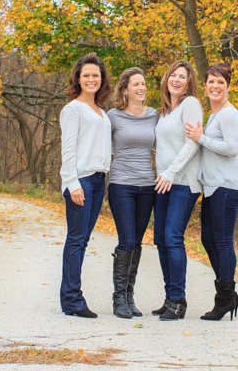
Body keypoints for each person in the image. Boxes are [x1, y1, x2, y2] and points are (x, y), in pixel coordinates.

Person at [185, 62, 238, 321]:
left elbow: (232, 148)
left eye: (220, 82)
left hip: (227, 186)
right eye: (211, 81)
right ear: (205, 85)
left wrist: (201, 138)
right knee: (208, 240)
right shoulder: (214, 115)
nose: (215, 86)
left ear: (228, 86)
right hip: (213, 187)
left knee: (221, 241)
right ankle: (227, 292)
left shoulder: (229, 114)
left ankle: (224, 298)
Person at [59, 52, 112, 318]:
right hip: (81, 180)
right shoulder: (73, 109)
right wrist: (72, 183)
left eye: (95, 75)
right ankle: (72, 300)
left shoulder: (102, 112)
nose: (91, 79)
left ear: (102, 80)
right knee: (76, 239)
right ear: (78, 80)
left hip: (98, 180)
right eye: (86, 75)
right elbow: (68, 150)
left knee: (83, 239)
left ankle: (72, 295)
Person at [153, 59, 203, 321]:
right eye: (173, 75)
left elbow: (191, 144)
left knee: (173, 237)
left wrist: (171, 172)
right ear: (166, 79)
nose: (177, 79)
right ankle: (169, 296)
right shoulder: (164, 111)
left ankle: (178, 300)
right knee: (160, 239)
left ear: (188, 82)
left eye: (182, 77)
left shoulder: (190, 105)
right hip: (163, 182)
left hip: (183, 181)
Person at [107, 67, 158, 319]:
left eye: (144, 83)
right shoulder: (113, 117)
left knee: (137, 242)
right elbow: (101, 148)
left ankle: (129, 295)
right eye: (136, 84)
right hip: (121, 184)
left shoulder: (155, 116)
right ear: (125, 88)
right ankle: (118, 299)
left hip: (147, 186)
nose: (142, 87)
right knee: (126, 241)